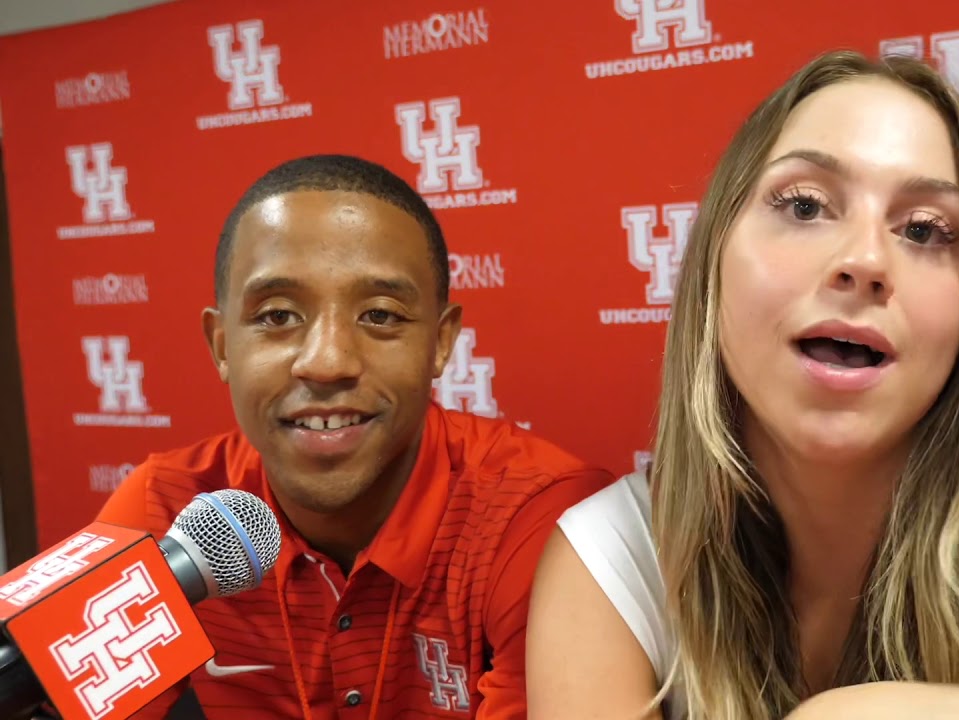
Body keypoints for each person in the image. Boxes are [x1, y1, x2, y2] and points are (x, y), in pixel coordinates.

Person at [525, 50, 959, 720]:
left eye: (924, 229)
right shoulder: (606, 561)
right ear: (712, 259)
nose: (864, 260)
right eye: (804, 206)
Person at [97, 154, 615, 719]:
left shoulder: (538, 520)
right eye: (276, 316)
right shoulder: (166, 511)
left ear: (441, 344)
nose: (327, 363)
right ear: (222, 346)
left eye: (380, 315)